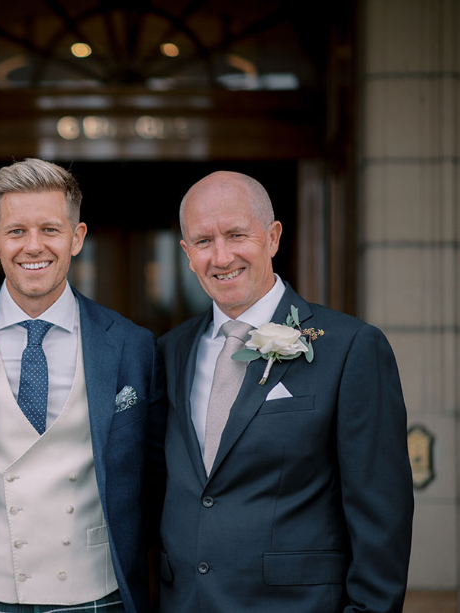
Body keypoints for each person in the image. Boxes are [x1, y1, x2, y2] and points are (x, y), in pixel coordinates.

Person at [0, 158, 167, 613]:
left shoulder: (133, 346)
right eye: (16, 231)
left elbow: (156, 481)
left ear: (77, 238)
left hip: (98, 595)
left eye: (50, 230)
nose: (33, 246)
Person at [158, 171, 413, 612]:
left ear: (272, 237)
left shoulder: (350, 347)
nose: (221, 256)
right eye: (202, 241)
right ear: (186, 253)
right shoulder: (168, 352)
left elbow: (381, 516)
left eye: (237, 234)